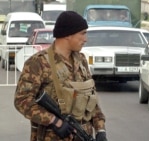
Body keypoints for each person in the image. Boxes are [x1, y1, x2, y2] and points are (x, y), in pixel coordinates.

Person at [14, 11, 108, 141]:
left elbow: (91, 100)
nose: (85, 39)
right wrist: (54, 121)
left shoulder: (81, 61)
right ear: (68, 35)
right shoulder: (38, 62)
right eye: (82, 33)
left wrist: (100, 130)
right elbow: (22, 101)